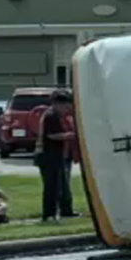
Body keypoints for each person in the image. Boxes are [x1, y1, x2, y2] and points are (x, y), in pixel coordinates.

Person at [37, 90, 78, 222]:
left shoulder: (65, 116)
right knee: (52, 186)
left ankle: (66, 210)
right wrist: (70, 135)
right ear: (57, 104)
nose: (68, 108)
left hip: (62, 155)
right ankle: (49, 214)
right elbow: (51, 135)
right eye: (66, 105)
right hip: (48, 156)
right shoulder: (50, 116)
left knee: (64, 186)